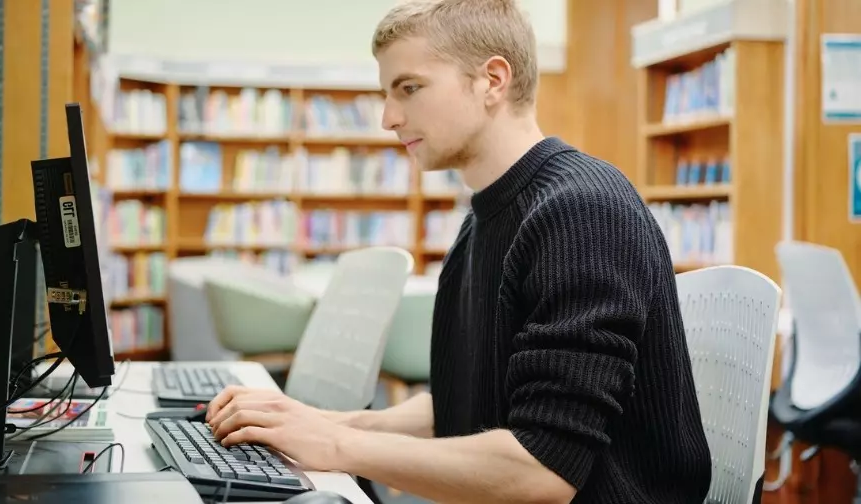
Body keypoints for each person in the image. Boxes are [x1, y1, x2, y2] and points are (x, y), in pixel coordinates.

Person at [205, 0, 713, 502]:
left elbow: (543, 469)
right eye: (386, 93)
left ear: (492, 80)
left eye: (409, 88)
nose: (388, 117)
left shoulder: (581, 210)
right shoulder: (483, 222)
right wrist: (323, 421)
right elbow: (466, 403)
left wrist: (337, 443)